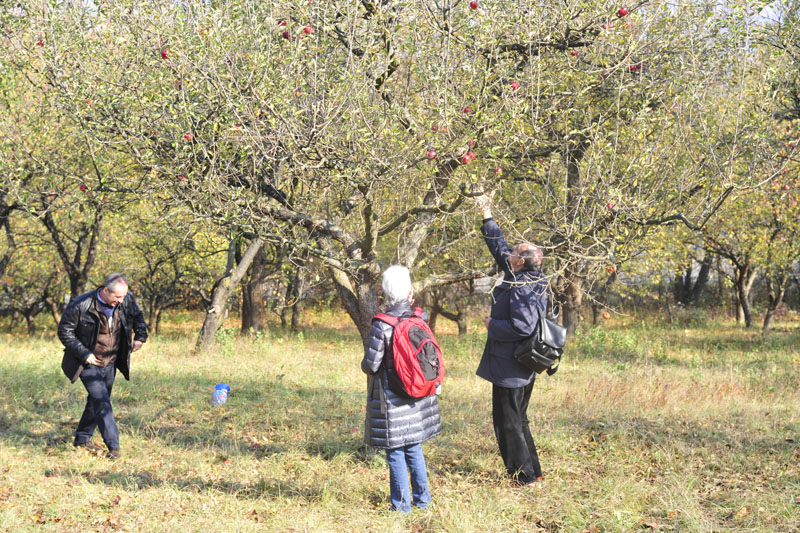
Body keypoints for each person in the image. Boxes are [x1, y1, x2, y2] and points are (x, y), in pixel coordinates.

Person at [474, 192, 547, 487]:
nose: (509, 255)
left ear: (519, 262)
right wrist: (486, 212)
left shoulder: (522, 288)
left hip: (511, 367)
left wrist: (493, 324)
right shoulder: (531, 277)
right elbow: (499, 247)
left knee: (508, 422)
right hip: (521, 365)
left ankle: (524, 477)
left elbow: (522, 326)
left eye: (514, 254)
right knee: (519, 418)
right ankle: (534, 472)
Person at [361, 265, 442, 512]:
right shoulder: (419, 318)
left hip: (391, 400)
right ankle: (423, 501)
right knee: (414, 448)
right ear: (409, 291)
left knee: (395, 452)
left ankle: (401, 506)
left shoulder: (382, 324)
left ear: (385, 292)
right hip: (417, 397)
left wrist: (365, 363)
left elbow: (371, 364)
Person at [58, 273, 148, 459]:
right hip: (88, 362)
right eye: (117, 297)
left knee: (97, 399)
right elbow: (64, 331)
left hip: (111, 361)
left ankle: (82, 438)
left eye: (124, 296)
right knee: (102, 401)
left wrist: (140, 337)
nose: (122, 301)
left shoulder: (126, 300)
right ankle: (114, 447)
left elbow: (137, 317)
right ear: (105, 291)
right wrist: (84, 353)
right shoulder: (80, 305)